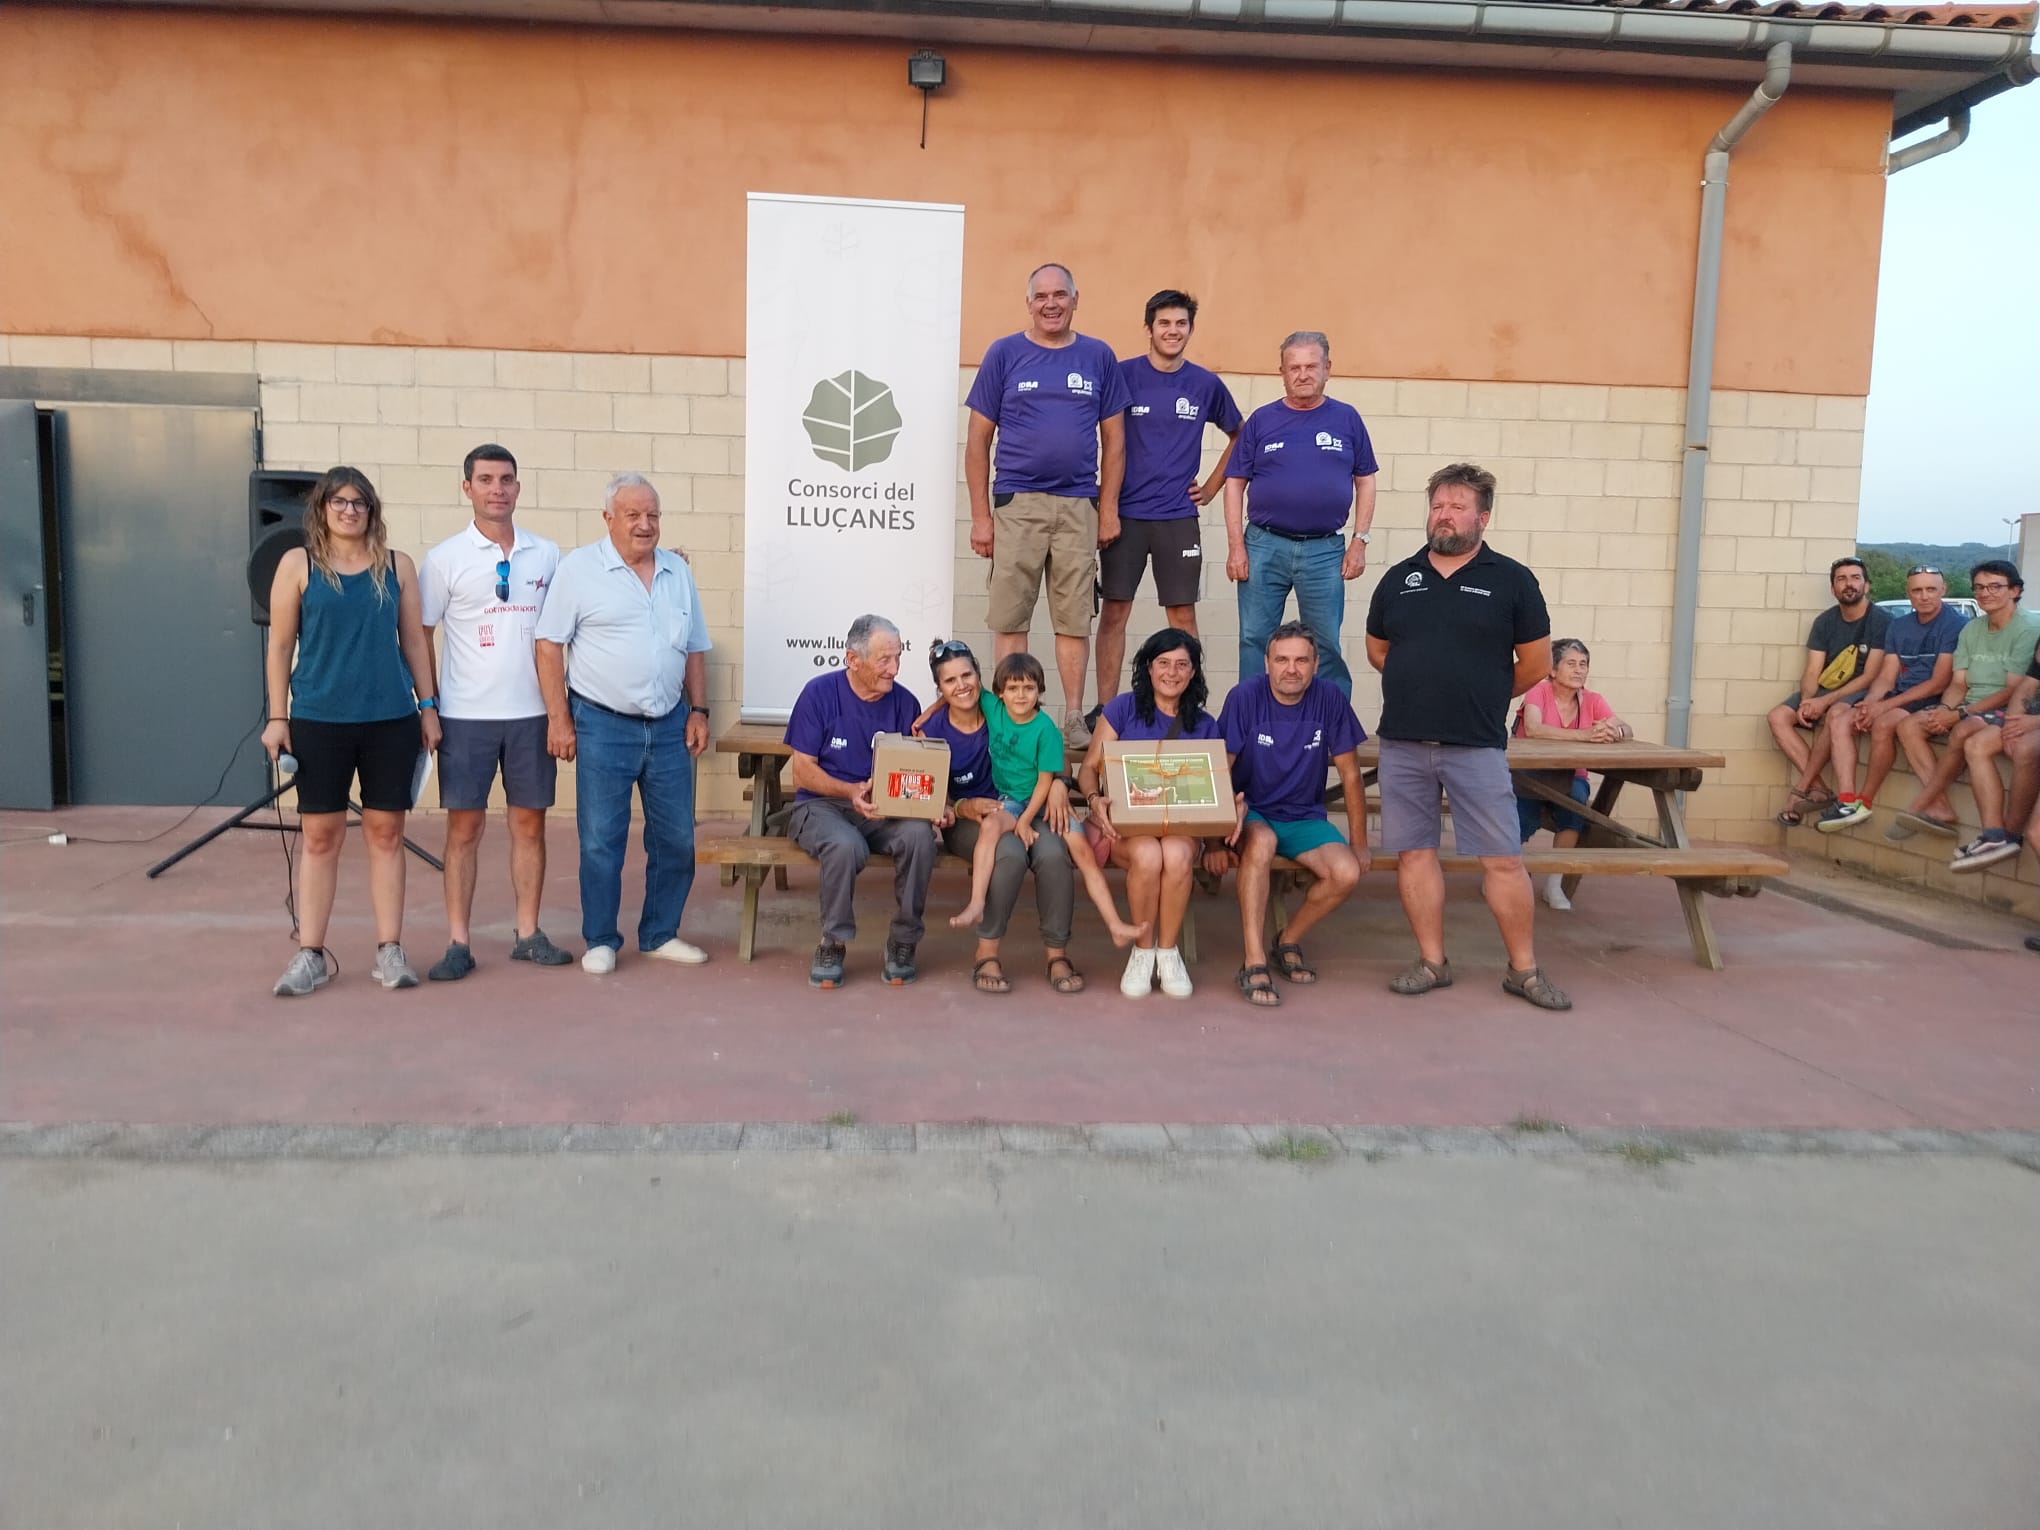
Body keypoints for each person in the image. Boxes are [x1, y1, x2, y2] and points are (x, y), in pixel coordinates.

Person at [1364, 462, 1569, 1010]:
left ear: (1483, 518)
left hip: (1476, 744)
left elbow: (1534, 664)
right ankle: (1432, 962)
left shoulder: (1512, 580)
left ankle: (1523, 970)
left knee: (1502, 860)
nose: (1444, 515)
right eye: (1438, 505)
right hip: (1404, 742)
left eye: (1457, 506)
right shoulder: (1399, 578)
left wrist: (1484, 692)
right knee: (1414, 855)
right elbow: (1378, 651)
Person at [261, 467, 441, 996]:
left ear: (371, 510)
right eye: (338, 501)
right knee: (321, 837)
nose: (349, 510)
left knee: (386, 835)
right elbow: (280, 645)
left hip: (390, 720)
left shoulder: (397, 566)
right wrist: (277, 717)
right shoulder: (298, 565)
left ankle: (390, 950)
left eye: (359, 502)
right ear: (322, 508)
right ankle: (310, 955)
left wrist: (428, 707)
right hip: (319, 720)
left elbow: (414, 641)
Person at [534, 472, 712, 976]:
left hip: (670, 725)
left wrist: (699, 710)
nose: (644, 524)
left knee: (677, 838)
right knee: (601, 839)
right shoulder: (579, 569)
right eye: (632, 514)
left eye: (652, 515)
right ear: (608, 518)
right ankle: (601, 939)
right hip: (602, 724)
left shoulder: (677, 571)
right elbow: (548, 645)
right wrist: (558, 719)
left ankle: (659, 933)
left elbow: (694, 646)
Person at [418, 443, 570, 979]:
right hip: (465, 717)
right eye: (485, 480)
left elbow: (571, 617)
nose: (496, 490)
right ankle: (458, 942)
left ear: (518, 487)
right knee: (464, 830)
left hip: (532, 715)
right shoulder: (443, 559)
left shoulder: (546, 554)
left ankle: (527, 933)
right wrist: (428, 706)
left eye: (506, 480)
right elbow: (420, 635)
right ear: (467, 488)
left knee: (530, 826)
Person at [965, 262, 1132, 749]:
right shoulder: (1004, 354)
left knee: (1074, 618)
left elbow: (1115, 441)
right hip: (1017, 503)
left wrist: (1108, 509)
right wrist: (981, 518)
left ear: (1076, 300)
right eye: (1041, 296)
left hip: (1078, 505)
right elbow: (977, 442)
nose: (1051, 303)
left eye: (1060, 294)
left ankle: (1074, 716)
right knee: (1010, 616)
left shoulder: (1098, 356)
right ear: (1029, 303)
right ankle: (1007, 718)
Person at [920, 652, 1146, 949]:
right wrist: (929, 712)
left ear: (1040, 690)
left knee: (1083, 853)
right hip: (1009, 800)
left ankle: (1115, 924)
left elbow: (1043, 782)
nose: (1020, 695)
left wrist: (1026, 820)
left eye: (1028, 688)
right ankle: (976, 903)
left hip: (1042, 802)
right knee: (990, 827)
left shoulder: (1046, 730)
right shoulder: (994, 708)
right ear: (1000, 692)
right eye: (1013, 688)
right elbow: (958, 691)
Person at [1091, 291, 1242, 718]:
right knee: (1114, 611)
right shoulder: (1122, 375)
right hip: (1124, 516)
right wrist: (1104, 505)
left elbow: (1241, 434)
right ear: (1149, 328)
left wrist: (1211, 487)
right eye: (1164, 323)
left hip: (1177, 517)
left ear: (1190, 329)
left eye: (1181, 324)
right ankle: (1105, 709)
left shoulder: (1205, 384)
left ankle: (1187, 710)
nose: (1172, 331)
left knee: (1182, 614)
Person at [1212, 622, 1368, 1009]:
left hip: (1303, 816)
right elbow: (1219, 770)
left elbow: (1351, 775)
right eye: (1282, 660)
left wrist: (1360, 843)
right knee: (1262, 842)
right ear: (1266, 663)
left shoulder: (1329, 698)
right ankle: (1253, 960)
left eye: (1301, 660)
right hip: (1253, 812)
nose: (1291, 669)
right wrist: (1213, 840)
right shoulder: (1244, 697)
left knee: (1346, 872)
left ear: (1316, 664)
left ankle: (1287, 939)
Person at [783, 614, 937, 989]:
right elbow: (802, 773)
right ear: (853, 659)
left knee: (920, 836)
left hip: (884, 809)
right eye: (885, 660)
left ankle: (904, 940)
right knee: (844, 845)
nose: (894, 669)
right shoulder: (819, 694)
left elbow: (917, 769)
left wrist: (930, 803)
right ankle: (832, 942)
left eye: (898, 658)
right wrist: (850, 791)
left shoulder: (905, 702)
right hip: (822, 805)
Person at [921, 641, 1083, 996]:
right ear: (940, 687)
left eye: (967, 675)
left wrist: (1061, 783)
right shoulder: (932, 729)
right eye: (950, 681)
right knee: (1008, 854)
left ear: (980, 678)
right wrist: (962, 807)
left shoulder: (1002, 708)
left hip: (1023, 808)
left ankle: (1057, 952)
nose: (961, 686)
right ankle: (987, 951)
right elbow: (932, 796)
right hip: (971, 821)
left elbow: (1053, 754)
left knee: (1054, 852)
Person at [1222, 330, 1379, 697]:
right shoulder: (1262, 420)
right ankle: (1252, 717)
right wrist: (1236, 547)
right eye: (1294, 367)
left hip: (1325, 551)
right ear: (1282, 372)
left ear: (1328, 368)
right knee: (1254, 638)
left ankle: (1332, 718)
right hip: (1263, 545)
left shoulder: (1347, 419)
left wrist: (1360, 541)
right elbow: (1234, 484)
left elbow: (1366, 481)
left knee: (1325, 642)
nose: (1303, 374)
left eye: (1311, 366)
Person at [1077, 627, 1223, 999]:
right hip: (1127, 827)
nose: (1172, 672)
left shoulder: (1205, 725)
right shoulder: (1122, 708)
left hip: (1180, 827)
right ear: (1148, 667)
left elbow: (1212, 787)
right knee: (1147, 854)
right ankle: (1142, 952)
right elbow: (1089, 768)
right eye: (1163, 663)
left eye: (1182, 665)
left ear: (1193, 672)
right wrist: (1094, 799)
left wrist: (1228, 807)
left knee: (1174, 854)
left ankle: (1168, 952)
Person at [1891, 561, 2040, 840]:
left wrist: (1959, 714)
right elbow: (1958, 683)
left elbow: (2014, 690)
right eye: (1979, 587)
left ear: (2015, 591)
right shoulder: (1972, 629)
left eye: (1995, 587)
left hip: (2004, 708)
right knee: (1910, 726)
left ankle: (1922, 803)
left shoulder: (2029, 627)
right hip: (1970, 706)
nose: (1985, 593)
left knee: (1964, 729)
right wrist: (1945, 709)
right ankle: (1939, 807)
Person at [1812, 565, 1964, 833]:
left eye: (1931, 589)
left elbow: (1939, 682)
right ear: (1908, 593)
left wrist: (1883, 706)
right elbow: (1886, 676)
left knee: (1883, 723)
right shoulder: (1899, 625)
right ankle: (1847, 800)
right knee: (1841, 719)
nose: (1924, 596)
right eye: (1917, 590)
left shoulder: (1955, 624)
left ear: (1944, 590)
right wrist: (1870, 703)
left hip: (1932, 698)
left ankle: (1865, 801)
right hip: (1900, 696)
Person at [1769, 556, 1890, 827]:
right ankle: (1820, 789)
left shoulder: (1881, 620)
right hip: (1827, 688)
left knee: (1835, 713)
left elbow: (1871, 676)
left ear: (1867, 585)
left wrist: (1823, 702)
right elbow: (1813, 671)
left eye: (1855, 578)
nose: (1849, 584)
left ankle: (1801, 789)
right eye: (1841, 579)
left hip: (1862, 690)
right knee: (1777, 717)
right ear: (1833, 589)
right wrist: (1807, 701)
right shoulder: (1824, 621)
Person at [1512, 638, 1631, 911]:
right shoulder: (1538, 692)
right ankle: (1510, 872)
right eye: (1571, 663)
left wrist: (1615, 731)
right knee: (1521, 811)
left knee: (1576, 804)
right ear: (1553, 670)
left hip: (1572, 775)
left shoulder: (1593, 700)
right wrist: (1585, 735)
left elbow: (1626, 728)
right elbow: (1534, 728)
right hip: (1530, 774)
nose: (1579, 670)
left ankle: (1555, 882)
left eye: (1583, 664)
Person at [1949, 657, 2039, 872]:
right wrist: (2011, 725)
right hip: (2029, 718)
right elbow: (2028, 684)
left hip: (2035, 723)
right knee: (1976, 745)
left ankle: (2011, 835)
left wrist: (2034, 723)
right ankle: (1995, 835)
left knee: (2024, 749)